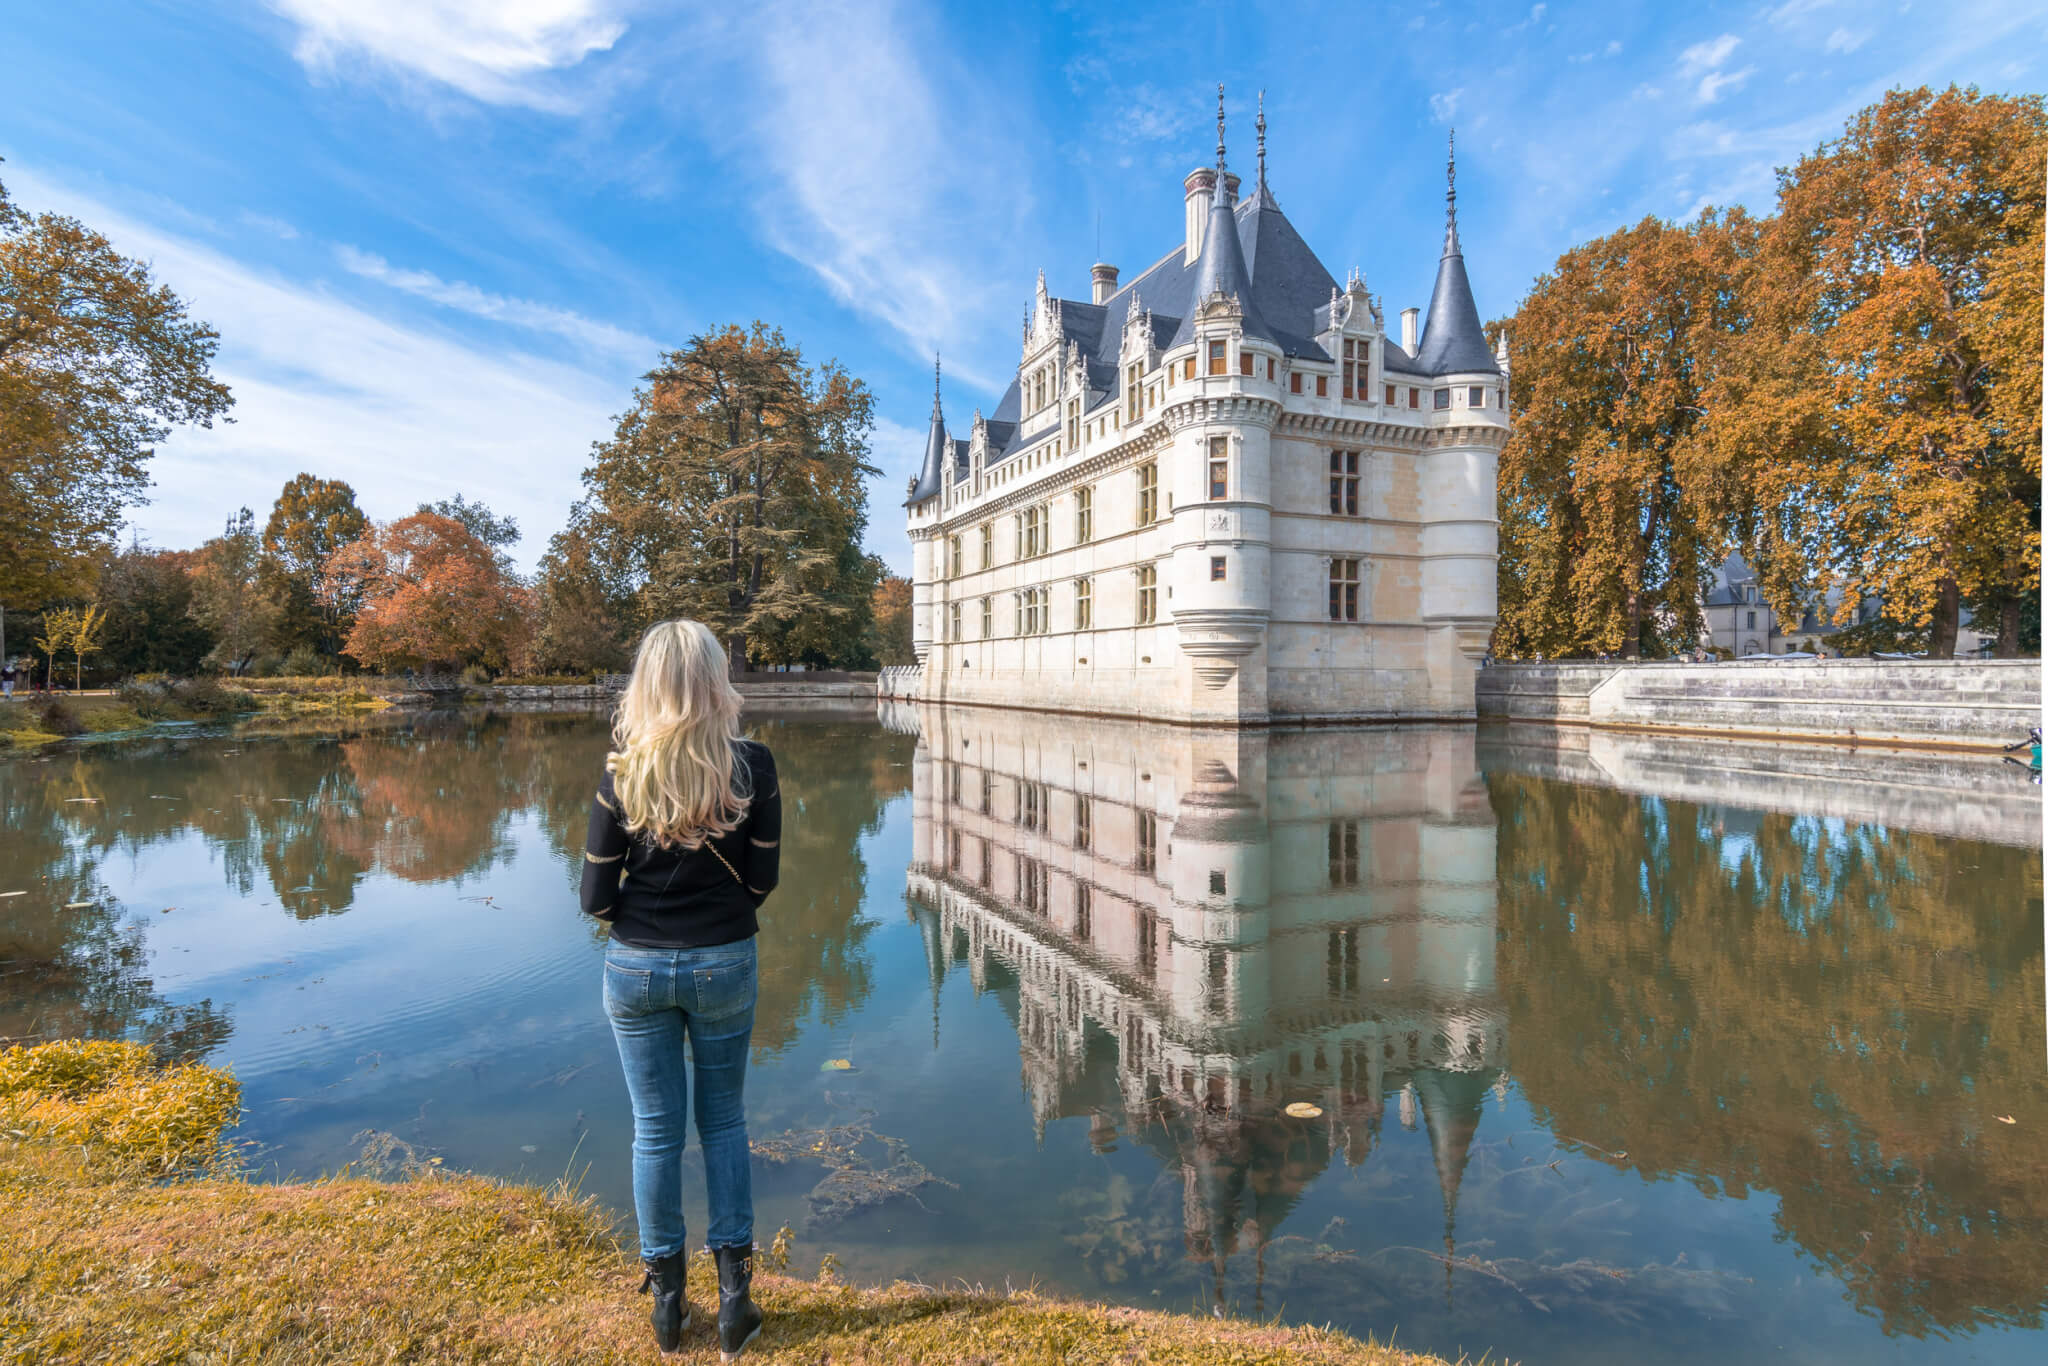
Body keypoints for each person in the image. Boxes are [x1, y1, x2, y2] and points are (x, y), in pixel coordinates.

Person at [582, 619, 780, 1360]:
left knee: (655, 1131)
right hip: (726, 957)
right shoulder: (752, 766)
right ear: (715, 680)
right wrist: (716, 917)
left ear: (649, 685)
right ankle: (735, 1305)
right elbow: (762, 880)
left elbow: (596, 897)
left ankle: (668, 1305)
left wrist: (646, 922)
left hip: (635, 966)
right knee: (723, 1123)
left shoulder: (623, 772)